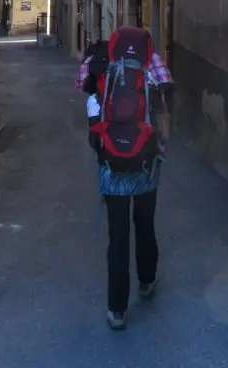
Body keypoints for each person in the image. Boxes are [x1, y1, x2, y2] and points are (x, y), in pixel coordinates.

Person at [75, 28, 174, 331]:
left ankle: (116, 309)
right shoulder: (152, 61)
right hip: (145, 159)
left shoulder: (99, 60)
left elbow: (84, 88)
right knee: (144, 223)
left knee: (117, 235)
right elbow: (165, 98)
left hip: (111, 161)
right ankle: (147, 281)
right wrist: (161, 145)